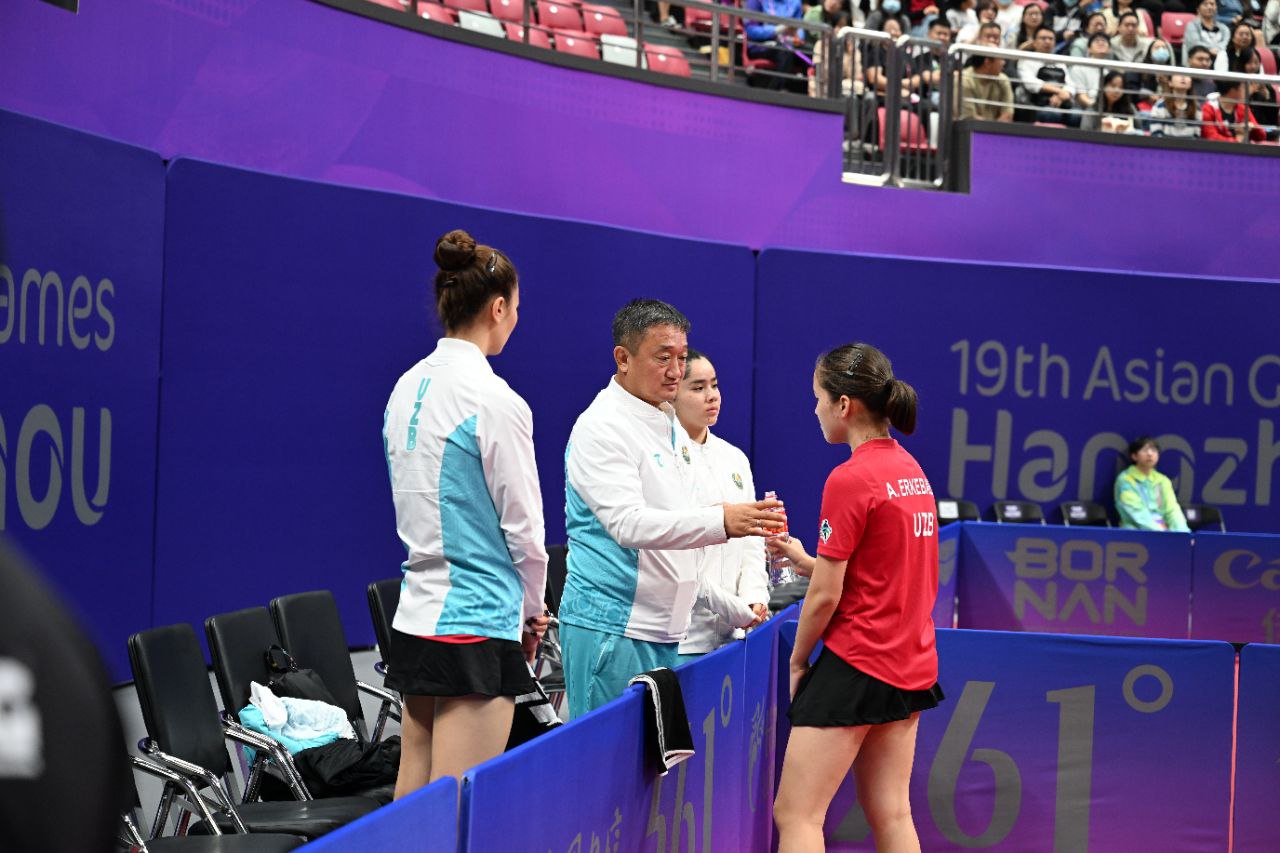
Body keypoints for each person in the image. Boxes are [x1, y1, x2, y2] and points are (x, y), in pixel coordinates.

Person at [384, 229, 550, 797]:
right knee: (456, 807)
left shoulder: (404, 388)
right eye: (516, 308)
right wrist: (532, 612)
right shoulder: (495, 399)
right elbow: (524, 529)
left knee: (412, 803)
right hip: (475, 624)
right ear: (498, 307)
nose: (516, 319)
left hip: (416, 617)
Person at [559, 299, 784, 718]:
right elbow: (627, 524)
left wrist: (741, 603)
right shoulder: (601, 426)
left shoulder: (666, 423)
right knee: (606, 759)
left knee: (652, 760)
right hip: (613, 627)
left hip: (666, 629)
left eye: (681, 358)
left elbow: (683, 529)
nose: (676, 371)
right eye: (663, 358)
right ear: (623, 358)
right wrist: (722, 519)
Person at [771, 343, 943, 852]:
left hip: (859, 661)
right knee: (891, 812)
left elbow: (826, 597)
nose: (815, 409)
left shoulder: (849, 478)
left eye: (818, 398)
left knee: (797, 814)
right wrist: (807, 560)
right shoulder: (911, 471)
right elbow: (880, 571)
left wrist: (799, 661)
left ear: (844, 405)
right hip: (909, 662)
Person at [673, 349, 770, 663]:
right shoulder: (665, 459)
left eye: (714, 385)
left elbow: (752, 541)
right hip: (684, 639)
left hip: (734, 636)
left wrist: (754, 598)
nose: (712, 395)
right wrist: (734, 609)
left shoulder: (734, 458)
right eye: (698, 387)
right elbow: (677, 555)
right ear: (672, 393)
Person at [1114, 436, 1190, 531]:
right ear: (1134, 456)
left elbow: (1172, 510)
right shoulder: (1125, 479)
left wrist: (1183, 533)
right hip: (1134, 530)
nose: (1150, 454)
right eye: (1144, 450)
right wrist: (1161, 532)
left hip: (1164, 530)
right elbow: (1136, 513)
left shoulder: (1162, 480)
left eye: (1153, 450)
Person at [1020, 25, 1081, 125]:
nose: (1047, 41)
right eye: (1043, 38)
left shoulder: (1060, 62)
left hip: (1062, 102)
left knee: (1077, 115)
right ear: (1034, 42)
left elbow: (1070, 84)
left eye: (1051, 39)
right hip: (1039, 103)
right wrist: (1059, 91)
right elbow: (1031, 84)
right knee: (1052, 114)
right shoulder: (1027, 61)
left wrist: (1061, 96)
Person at [745, 0, 808, 92]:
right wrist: (777, 30)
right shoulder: (756, 1)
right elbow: (751, 30)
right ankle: (775, 91)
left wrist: (798, 36)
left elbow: (799, 28)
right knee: (784, 51)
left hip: (790, 43)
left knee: (811, 54)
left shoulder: (795, 2)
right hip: (762, 45)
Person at [1202, 78, 1269, 140]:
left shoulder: (1242, 108)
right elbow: (1211, 138)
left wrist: (1251, 127)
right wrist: (1239, 137)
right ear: (1232, 90)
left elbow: (1262, 135)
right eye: (1244, 87)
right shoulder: (1208, 109)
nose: (1248, 90)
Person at [961, 50, 1016, 119]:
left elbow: (1008, 114)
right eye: (1000, 59)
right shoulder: (964, 80)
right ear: (987, 62)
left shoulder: (1003, 80)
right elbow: (969, 118)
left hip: (994, 125)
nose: (1003, 63)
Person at [1070, 32, 1115, 111]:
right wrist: (1098, 108)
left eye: (1104, 41)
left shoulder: (1112, 70)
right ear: (1089, 49)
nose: (1101, 43)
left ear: (1109, 49)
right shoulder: (1079, 67)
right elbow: (1081, 96)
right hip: (1086, 108)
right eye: (1097, 41)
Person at [1239, 47, 1280, 130]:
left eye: (1256, 62)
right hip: (1246, 127)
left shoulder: (1265, 84)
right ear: (1242, 64)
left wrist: (1267, 97)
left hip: (1266, 128)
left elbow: (1273, 118)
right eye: (1249, 63)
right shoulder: (1236, 84)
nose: (1253, 66)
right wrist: (1250, 93)